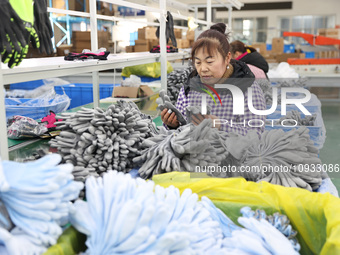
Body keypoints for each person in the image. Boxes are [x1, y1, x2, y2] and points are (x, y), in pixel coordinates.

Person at [161, 23, 266, 137]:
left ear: (227, 58)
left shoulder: (248, 89)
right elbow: (184, 128)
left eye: (209, 62)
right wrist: (174, 124)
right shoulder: (190, 88)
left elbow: (256, 135)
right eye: (198, 62)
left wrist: (219, 125)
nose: (203, 69)